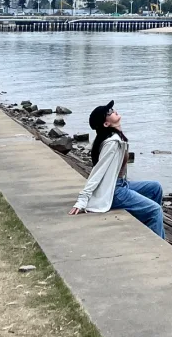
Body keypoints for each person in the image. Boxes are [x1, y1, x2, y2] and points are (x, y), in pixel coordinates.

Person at [69, 102, 165, 238]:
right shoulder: (112, 143)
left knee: (155, 188)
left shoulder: (116, 137)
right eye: (109, 112)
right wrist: (82, 199)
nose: (113, 111)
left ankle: (151, 228)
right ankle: (157, 244)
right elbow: (97, 172)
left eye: (112, 109)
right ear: (106, 124)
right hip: (114, 191)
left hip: (121, 184)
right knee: (155, 210)